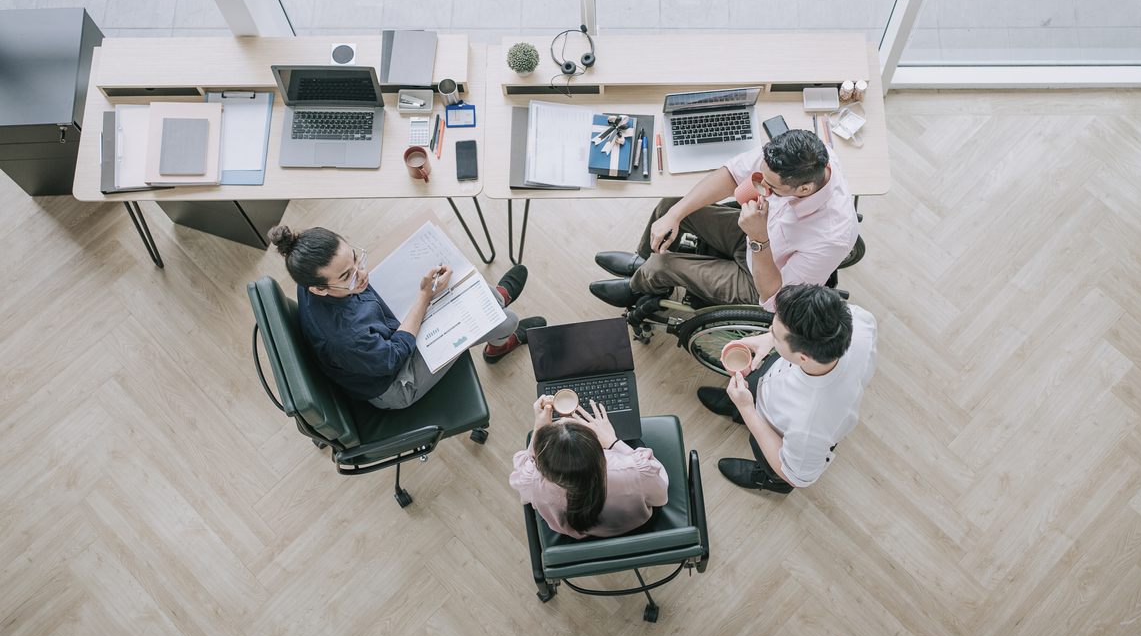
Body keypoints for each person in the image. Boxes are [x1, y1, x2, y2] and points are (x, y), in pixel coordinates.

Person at [269, 224, 546, 410]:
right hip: (395, 380)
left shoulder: (308, 274)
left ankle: (493, 303)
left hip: (379, 333)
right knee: (506, 320)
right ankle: (498, 339)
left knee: (472, 296)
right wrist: (424, 296)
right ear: (318, 289)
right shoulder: (346, 338)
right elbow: (394, 355)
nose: (362, 274)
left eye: (355, 259)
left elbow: (364, 292)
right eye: (347, 276)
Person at [590, 129, 857, 312]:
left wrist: (759, 239)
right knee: (671, 206)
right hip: (756, 232)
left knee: (663, 265)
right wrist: (674, 216)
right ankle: (642, 262)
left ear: (805, 190)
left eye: (771, 188)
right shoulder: (805, 157)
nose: (760, 185)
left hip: (761, 278)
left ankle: (639, 287)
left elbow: (776, 299)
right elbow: (733, 174)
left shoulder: (833, 237)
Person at [700, 284, 876, 493]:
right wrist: (772, 339)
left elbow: (796, 476)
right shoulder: (859, 320)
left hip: (779, 432)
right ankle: (738, 405)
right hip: (775, 375)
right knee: (756, 381)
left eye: (774, 333)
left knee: (768, 456)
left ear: (803, 357)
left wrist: (748, 409)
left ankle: (771, 480)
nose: (768, 331)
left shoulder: (810, 426)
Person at [511, 396, 668, 539]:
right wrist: (614, 442)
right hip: (639, 525)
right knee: (635, 442)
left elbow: (525, 470)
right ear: (601, 449)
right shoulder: (634, 470)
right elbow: (661, 496)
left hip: (583, 534)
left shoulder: (532, 480)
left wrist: (539, 429)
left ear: (543, 465)